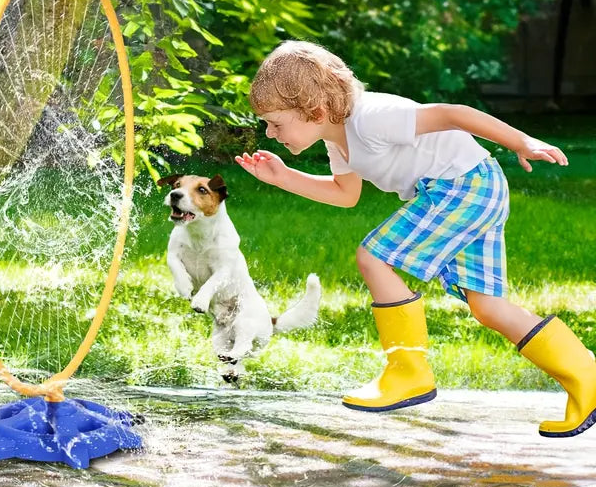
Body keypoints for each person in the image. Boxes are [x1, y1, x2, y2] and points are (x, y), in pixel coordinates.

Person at [235, 40, 596, 438]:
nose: (269, 133)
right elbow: (345, 194)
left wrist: (521, 142)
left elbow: (452, 113)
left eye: (275, 122)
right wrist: (285, 177)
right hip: (472, 187)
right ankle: (586, 376)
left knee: (374, 257)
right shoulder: (337, 139)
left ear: (315, 112)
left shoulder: (373, 117)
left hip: (463, 187)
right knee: (488, 307)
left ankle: (408, 371)